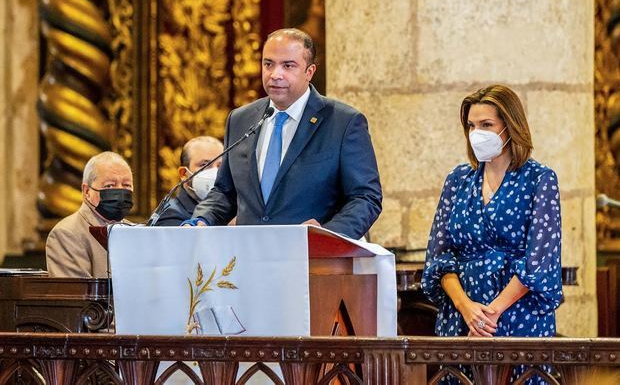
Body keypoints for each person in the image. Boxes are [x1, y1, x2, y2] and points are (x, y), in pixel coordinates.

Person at [421, 85, 563, 381]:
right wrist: (466, 308)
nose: (476, 133)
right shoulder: (459, 179)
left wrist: (491, 314)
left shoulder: (539, 179)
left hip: (516, 315)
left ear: (510, 127)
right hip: (462, 316)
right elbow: (440, 256)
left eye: (486, 125)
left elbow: (539, 262)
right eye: (471, 126)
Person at [186, 28, 382, 239]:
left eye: (288, 66)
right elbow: (225, 192)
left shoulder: (343, 122)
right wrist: (202, 219)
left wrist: (327, 235)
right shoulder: (240, 119)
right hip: (250, 256)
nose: (275, 74)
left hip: (312, 261)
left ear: (310, 72)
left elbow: (366, 197)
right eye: (268, 64)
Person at [46, 152, 134, 277]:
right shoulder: (67, 233)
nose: (120, 191)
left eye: (126, 185)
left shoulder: (135, 232)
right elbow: (76, 293)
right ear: (87, 191)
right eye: (109, 185)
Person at [154, 136, 224, 226]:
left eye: (220, 166)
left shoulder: (232, 209)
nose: (215, 172)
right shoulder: (170, 213)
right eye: (204, 165)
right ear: (184, 174)